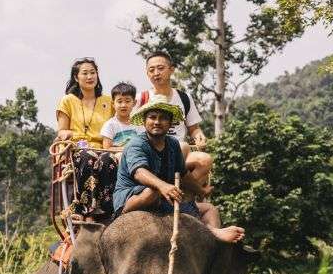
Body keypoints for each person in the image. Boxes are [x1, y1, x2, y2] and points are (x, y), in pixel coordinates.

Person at [113, 95, 244, 244]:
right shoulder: (136, 144)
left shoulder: (173, 144)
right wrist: (163, 186)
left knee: (210, 209)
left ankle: (213, 247)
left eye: (163, 118)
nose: (157, 122)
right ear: (144, 121)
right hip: (133, 199)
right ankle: (212, 233)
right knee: (153, 190)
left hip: (163, 199)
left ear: (170, 123)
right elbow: (139, 172)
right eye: (152, 117)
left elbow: (184, 174)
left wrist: (201, 191)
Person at [139, 51, 213, 195]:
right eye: (151, 70)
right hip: (152, 151)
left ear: (171, 69)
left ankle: (180, 194)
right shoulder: (141, 98)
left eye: (160, 68)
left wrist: (199, 136)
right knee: (182, 146)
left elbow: (194, 128)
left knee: (205, 159)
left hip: (180, 154)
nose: (156, 73)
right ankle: (169, 191)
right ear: (147, 73)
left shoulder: (184, 98)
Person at [54, 58, 116, 220]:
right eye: (85, 73)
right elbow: (62, 130)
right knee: (88, 156)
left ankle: (108, 209)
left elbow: (117, 125)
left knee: (108, 159)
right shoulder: (68, 100)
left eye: (93, 72)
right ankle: (85, 209)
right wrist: (65, 134)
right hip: (78, 148)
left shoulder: (108, 101)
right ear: (76, 77)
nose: (90, 77)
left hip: (103, 147)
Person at [100, 81, 141, 150]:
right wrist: (125, 149)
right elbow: (107, 147)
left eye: (127, 101)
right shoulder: (110, 125)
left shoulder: (139, 124)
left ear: (134, 103)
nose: (123, 105)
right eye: (119, 101)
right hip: (117, 156)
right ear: (113, 104)